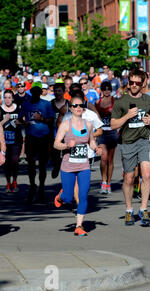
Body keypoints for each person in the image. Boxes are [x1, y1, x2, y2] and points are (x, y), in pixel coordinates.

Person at [111, 69, 150, 226]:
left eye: (138, 83)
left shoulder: (149, 99)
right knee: (129, 178)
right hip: (128, 142)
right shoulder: (121, 102)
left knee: (146, 174)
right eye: (131, 82)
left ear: (143, 83)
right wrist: (127, 116)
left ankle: (143, 208)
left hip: (144, 140)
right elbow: (112, 125)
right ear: (128, 83)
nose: (134, 86)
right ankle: (129, 209)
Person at [54, 92, 102, 236]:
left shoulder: (88, 124)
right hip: (68, 166)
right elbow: (56, 144)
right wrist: (67, 145)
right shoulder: (65, 125)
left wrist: (96, 148)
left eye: (81, 105)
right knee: (68, 197)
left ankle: (79, 225)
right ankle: (60, 197)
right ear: (70, 108)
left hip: (83, 166)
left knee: (83, 195)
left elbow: (91, 141)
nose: (78, 108)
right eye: (75, 105)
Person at [18, 86, 55, 203]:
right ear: (31, 93)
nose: (35, 95)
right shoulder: (26, 104)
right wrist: (25, 122)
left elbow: (51, 120)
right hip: (30, 137)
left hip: (43, 136)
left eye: (37, 93)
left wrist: (42, 118)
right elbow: (19, 119)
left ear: (40, 93)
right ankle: (33, 185)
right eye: (33, 93)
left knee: (43, 164)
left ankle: (42, 187)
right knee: (31, 164)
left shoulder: (46, 104)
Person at [96, 81, 119, 194]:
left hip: (112, 132)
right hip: (102, 133)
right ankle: (103, 181)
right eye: (104, 89)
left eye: (108, 89)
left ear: (111, 90)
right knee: (103, 158)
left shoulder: (115, 102)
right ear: (101, 90)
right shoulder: (97, 102)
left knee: (110, 159)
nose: (106, 91)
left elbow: (120, 115)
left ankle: (109, 183)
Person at [1, 90, 23, 192]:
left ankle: (15, 181)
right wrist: (4, 120)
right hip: (4, 141)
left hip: (16, 139)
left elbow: (24, 121)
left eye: (9, 97)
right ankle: (8, 183)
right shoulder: (0, 110)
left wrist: (19, 122)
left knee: (14, 161)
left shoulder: (18, 108)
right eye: (5, 97)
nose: (7, 99)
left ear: (13, 98)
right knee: (6, 163)